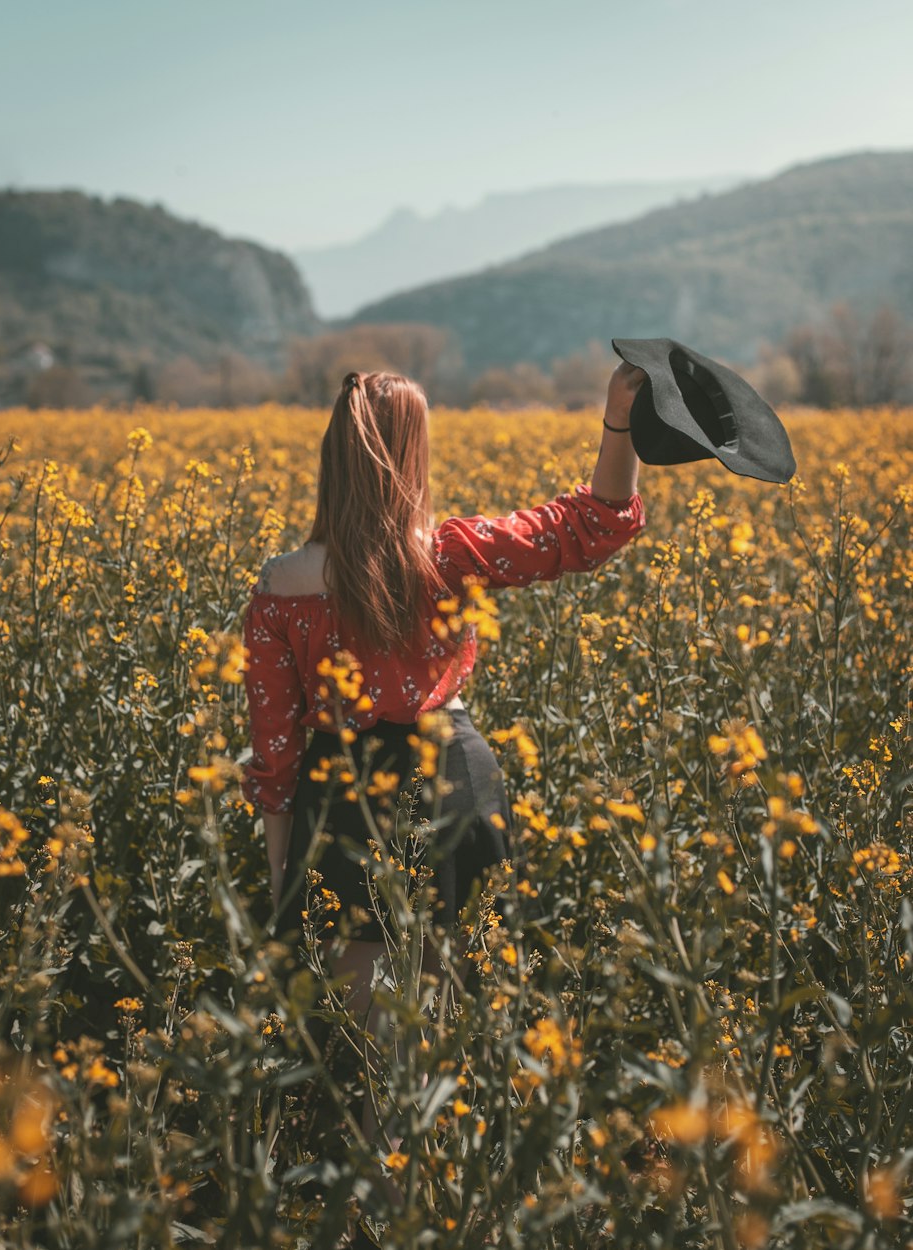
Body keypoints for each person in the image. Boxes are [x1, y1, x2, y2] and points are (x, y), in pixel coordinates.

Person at [240, 363, 646, 1241]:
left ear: (333, 460)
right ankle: (467, 1215)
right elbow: (592, 525)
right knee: (454, 1039)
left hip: (339, 803)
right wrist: (619, 425)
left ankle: (386, 1222)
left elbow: (275, 758)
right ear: (410, 456)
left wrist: (284, 890)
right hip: (453, 783)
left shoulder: (279, 586)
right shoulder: (450, 555)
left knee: (373, 1058)